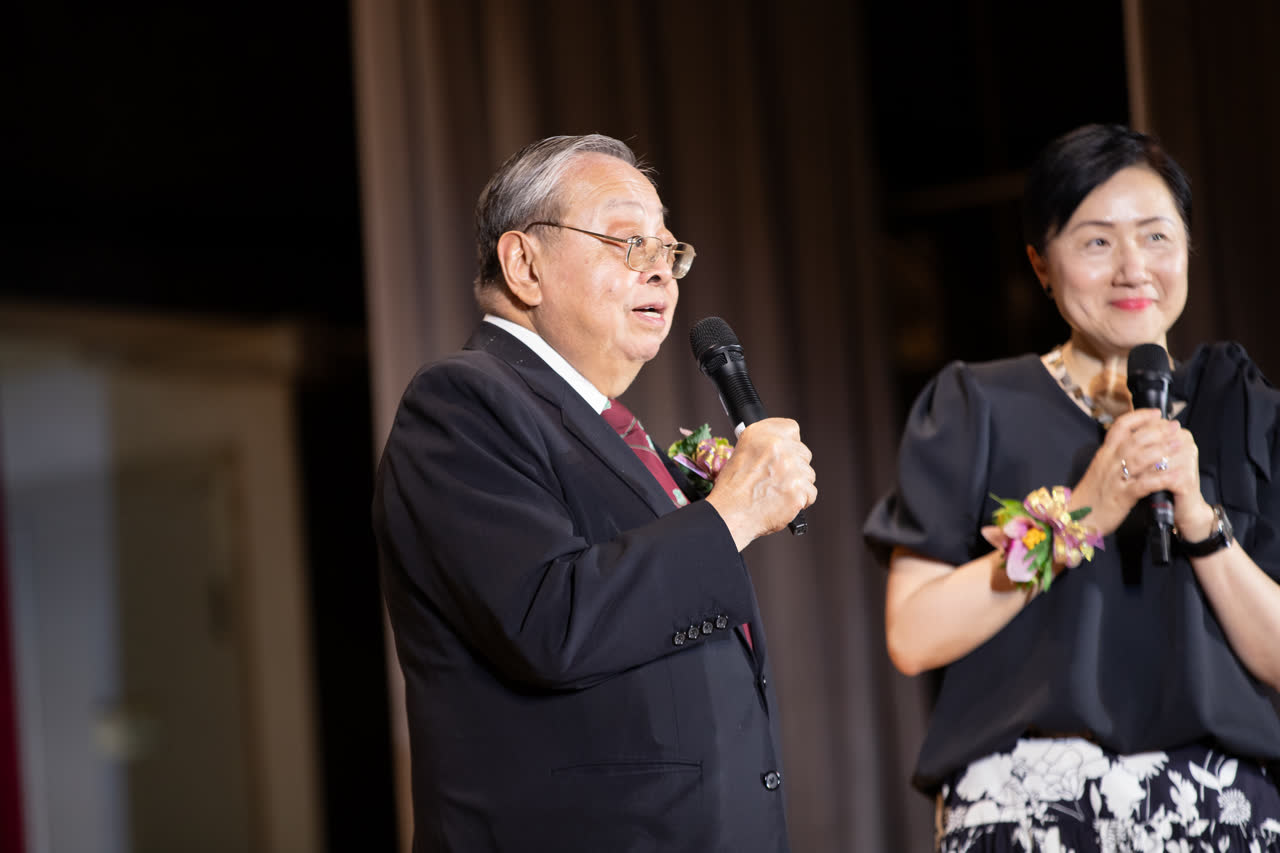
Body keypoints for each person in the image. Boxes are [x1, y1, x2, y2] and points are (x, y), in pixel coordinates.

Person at [373, 134, 816, 853]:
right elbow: (550, 622)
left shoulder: (609, 430)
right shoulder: (460, 401)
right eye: (628, 242)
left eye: (668, 249)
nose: (660, 269)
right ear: (525, 265)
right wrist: (730, 514)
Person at [864, 123, 1280, 851]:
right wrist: (1082, 513)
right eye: (1096, 242)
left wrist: (1199, 519)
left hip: (1217, 808)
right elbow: (913, 634)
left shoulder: (1244, 411)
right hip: (1030, 804)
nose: (1132, 268)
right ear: (1041, 264)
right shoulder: (976, 406)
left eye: (1156, 236)